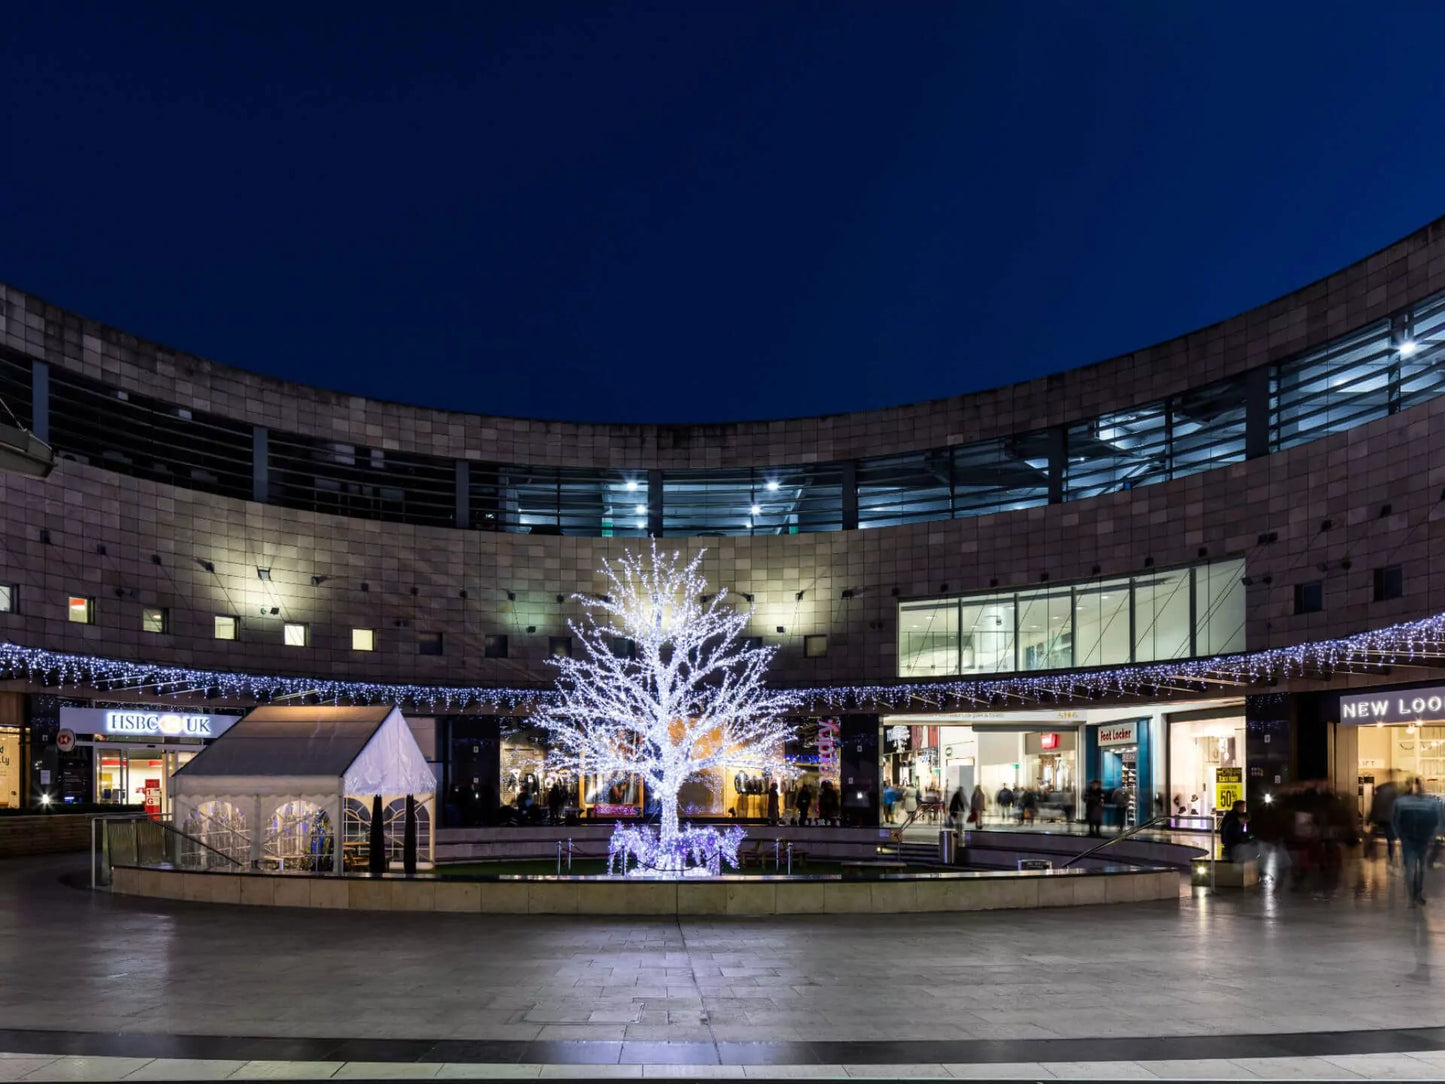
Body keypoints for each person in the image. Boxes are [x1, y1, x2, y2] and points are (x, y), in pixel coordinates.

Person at [1393, 778, 1442, 907]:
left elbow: (1395, 820)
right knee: (1420, 868)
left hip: (1409, 839)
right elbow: (1437, 820)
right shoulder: (1430, 802)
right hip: (1422, 839)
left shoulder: (1401, 802)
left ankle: (1412, 897)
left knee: (1411, 868)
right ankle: (1416, 895)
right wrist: (1433, 835)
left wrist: (1399, 834)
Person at [1370, 779, 1399, 862]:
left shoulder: (1378, 793)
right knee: (1390, 839)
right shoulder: (1393, 793)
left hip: (1378, 818)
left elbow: (1374, 807)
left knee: (1373, 835)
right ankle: (1391, 856)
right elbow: (1396, 806)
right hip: (1388, 817)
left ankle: (1373, 854)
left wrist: (1370, 819)